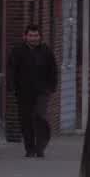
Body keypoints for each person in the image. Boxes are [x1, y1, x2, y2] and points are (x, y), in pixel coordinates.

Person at [7, 24, 58, 158]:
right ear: (25, 36)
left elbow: (53, 69)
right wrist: (12, 87)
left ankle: (40, 146)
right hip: (23, 91)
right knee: (26, 120)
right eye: (30, 35)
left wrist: (51, 87)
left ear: (40, 37)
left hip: (42, 91)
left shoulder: (46, 51)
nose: (33, 38)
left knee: (39, 115)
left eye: (36, 36)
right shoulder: (18, 51)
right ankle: (29, 148)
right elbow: (12, 70)